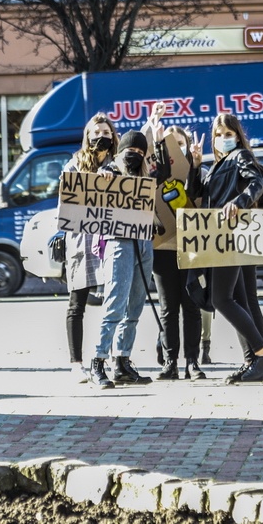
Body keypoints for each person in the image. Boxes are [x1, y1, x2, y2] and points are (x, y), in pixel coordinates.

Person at [189, 113, 263, 383]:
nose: (223, 139)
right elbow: (196, 194)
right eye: (218, 135)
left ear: (238, 136)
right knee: (244, 300)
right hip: (220, 236)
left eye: (228, 134)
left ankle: (262, 356)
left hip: (230, 234)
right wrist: (195, 165)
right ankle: (255, 362)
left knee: (222, 299)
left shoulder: (240, 157)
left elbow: (258, 183)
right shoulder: (218, 165)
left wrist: (238, 203)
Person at [89, 125, 170, 388]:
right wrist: (104, 173)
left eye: (139, 150)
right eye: (129, 150)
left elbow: (165, 173)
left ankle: (122, 361)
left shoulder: (146, 177)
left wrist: (158, 142)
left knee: (134, 306)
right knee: (115, 304)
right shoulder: (110, 172)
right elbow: (93, 191)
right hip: (119, 242)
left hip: (144, 242)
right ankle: (98, 361)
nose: (134, 154)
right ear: (120, 151)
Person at [63, 114, 120, 385]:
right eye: (96, 131)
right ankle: (76, 363)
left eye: (105, 130)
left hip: (111, 241)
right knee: (77, 305)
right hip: (82, 243)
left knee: (113, 303)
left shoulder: (118, 163)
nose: (101, 135)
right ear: (87, 136)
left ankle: (108, 358)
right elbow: (67, 202)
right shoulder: (74, 165)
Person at [154, 125, 207, 381]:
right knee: (168, 308)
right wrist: (156, 139)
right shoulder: (157, 174)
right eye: (171, 143)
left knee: (191, 305)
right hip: (163, 249)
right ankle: (170, 362)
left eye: (181, 142)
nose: (177, 147)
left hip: (192, 248)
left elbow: (199, 197)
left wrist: (195, 165)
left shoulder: (199, 172)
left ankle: (192, 362)